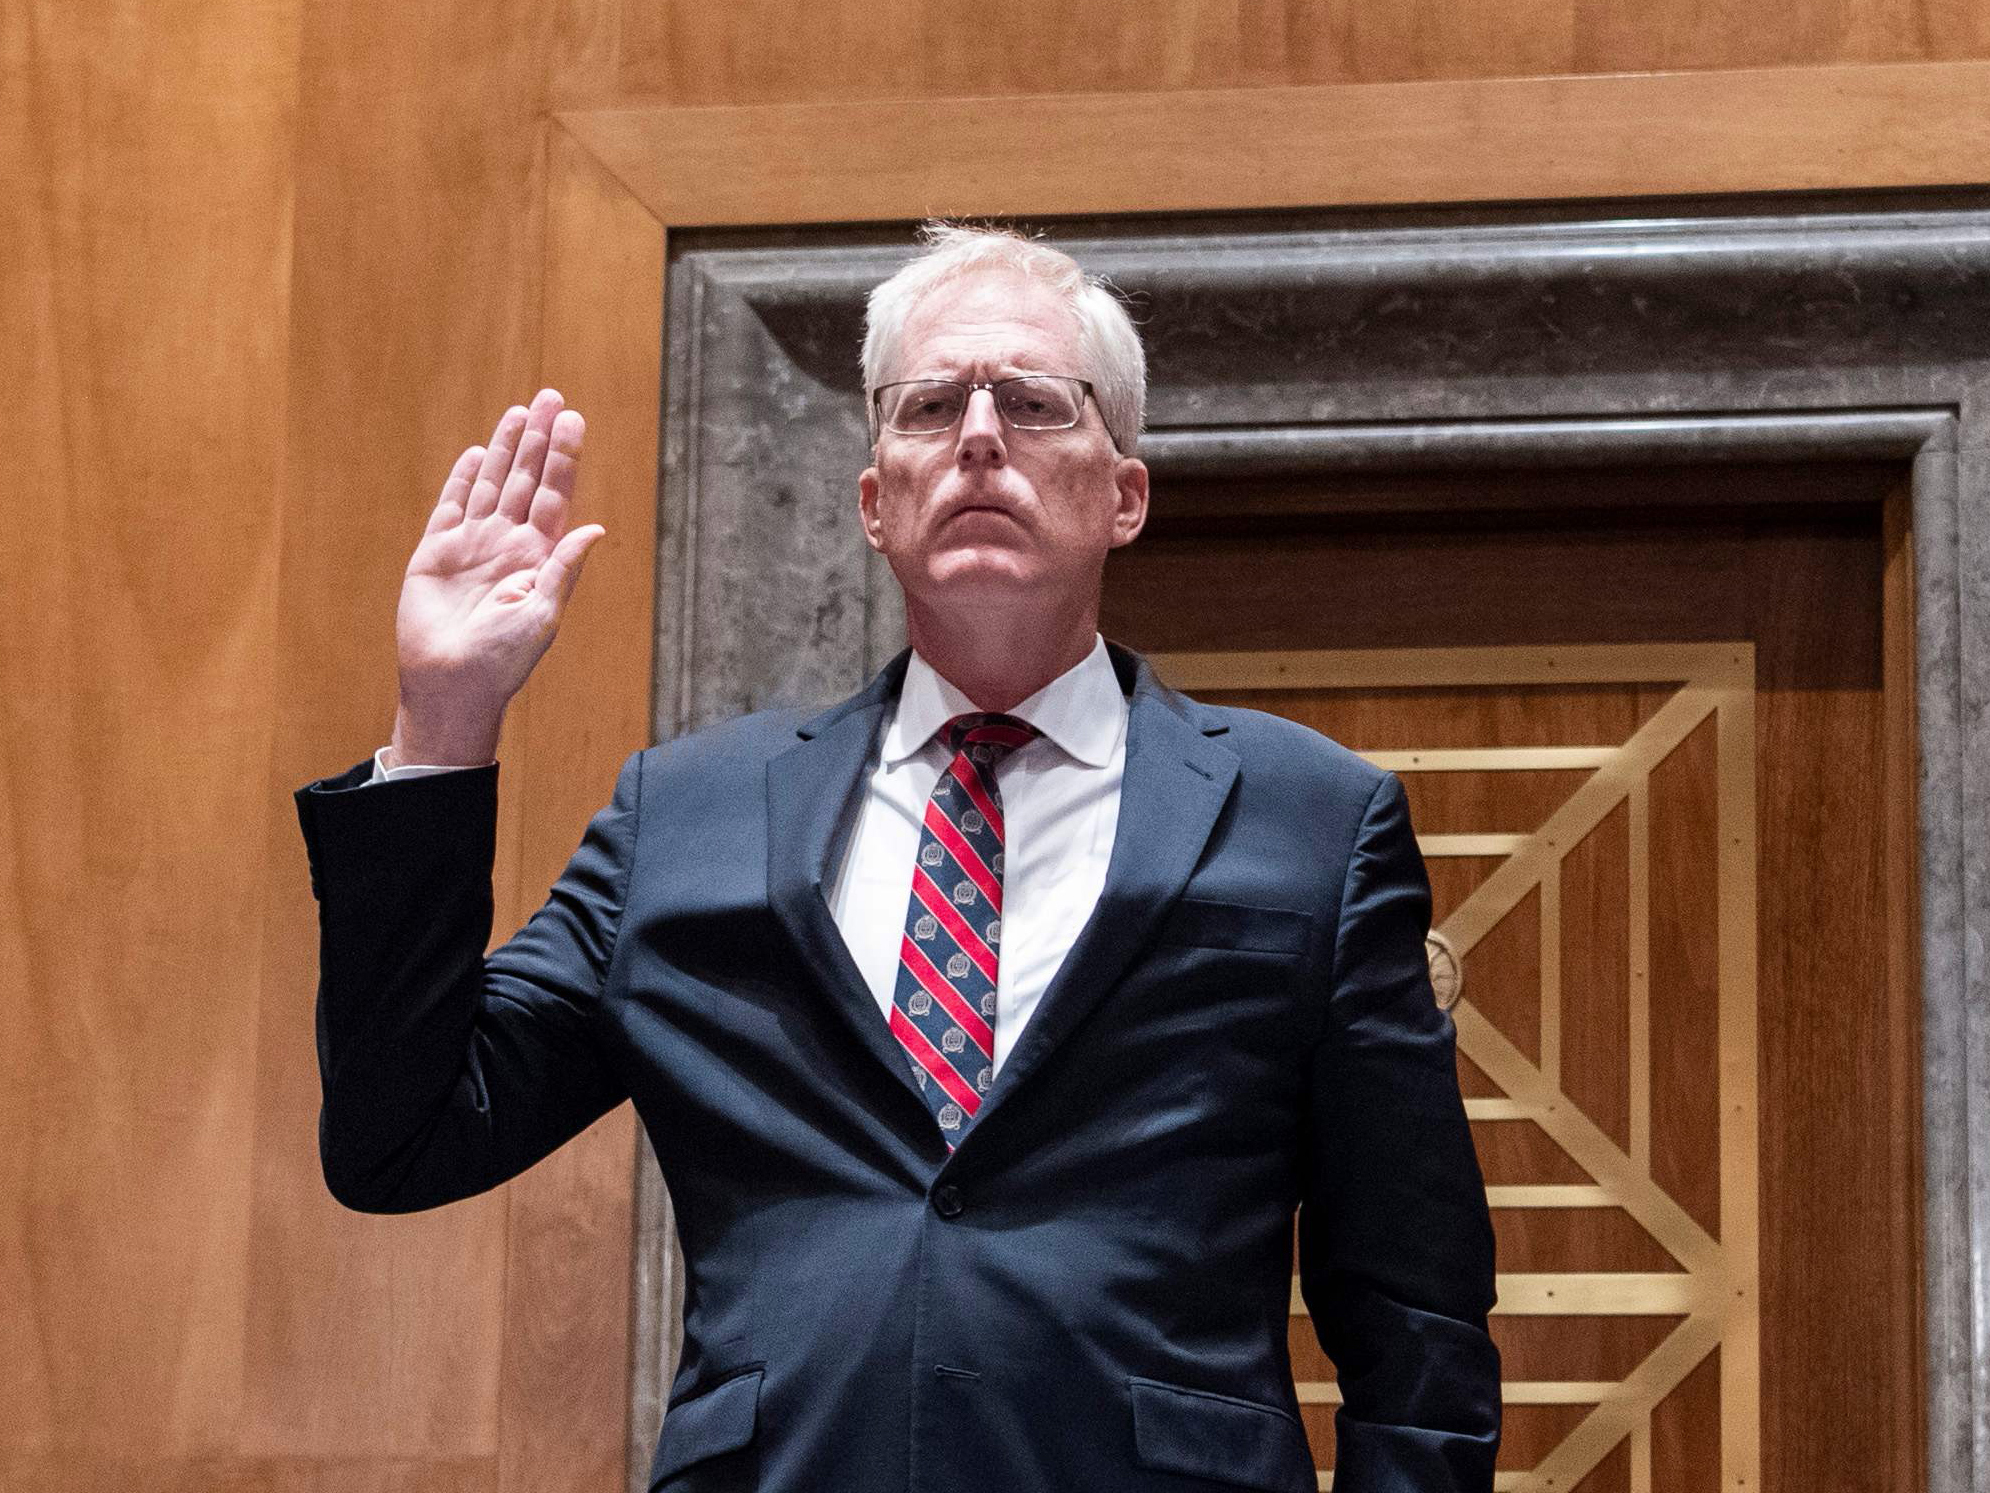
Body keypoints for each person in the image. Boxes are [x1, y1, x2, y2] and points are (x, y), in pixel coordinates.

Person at [295, 224, 1501, 1492]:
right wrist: (445, 718)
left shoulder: (1308, 815)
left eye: (1035, 404)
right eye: (930, 405)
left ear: (1124, 494)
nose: (979, 434)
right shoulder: (688, 814)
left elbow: (1412, 1315)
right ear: (875, 500)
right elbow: (403, 1136)